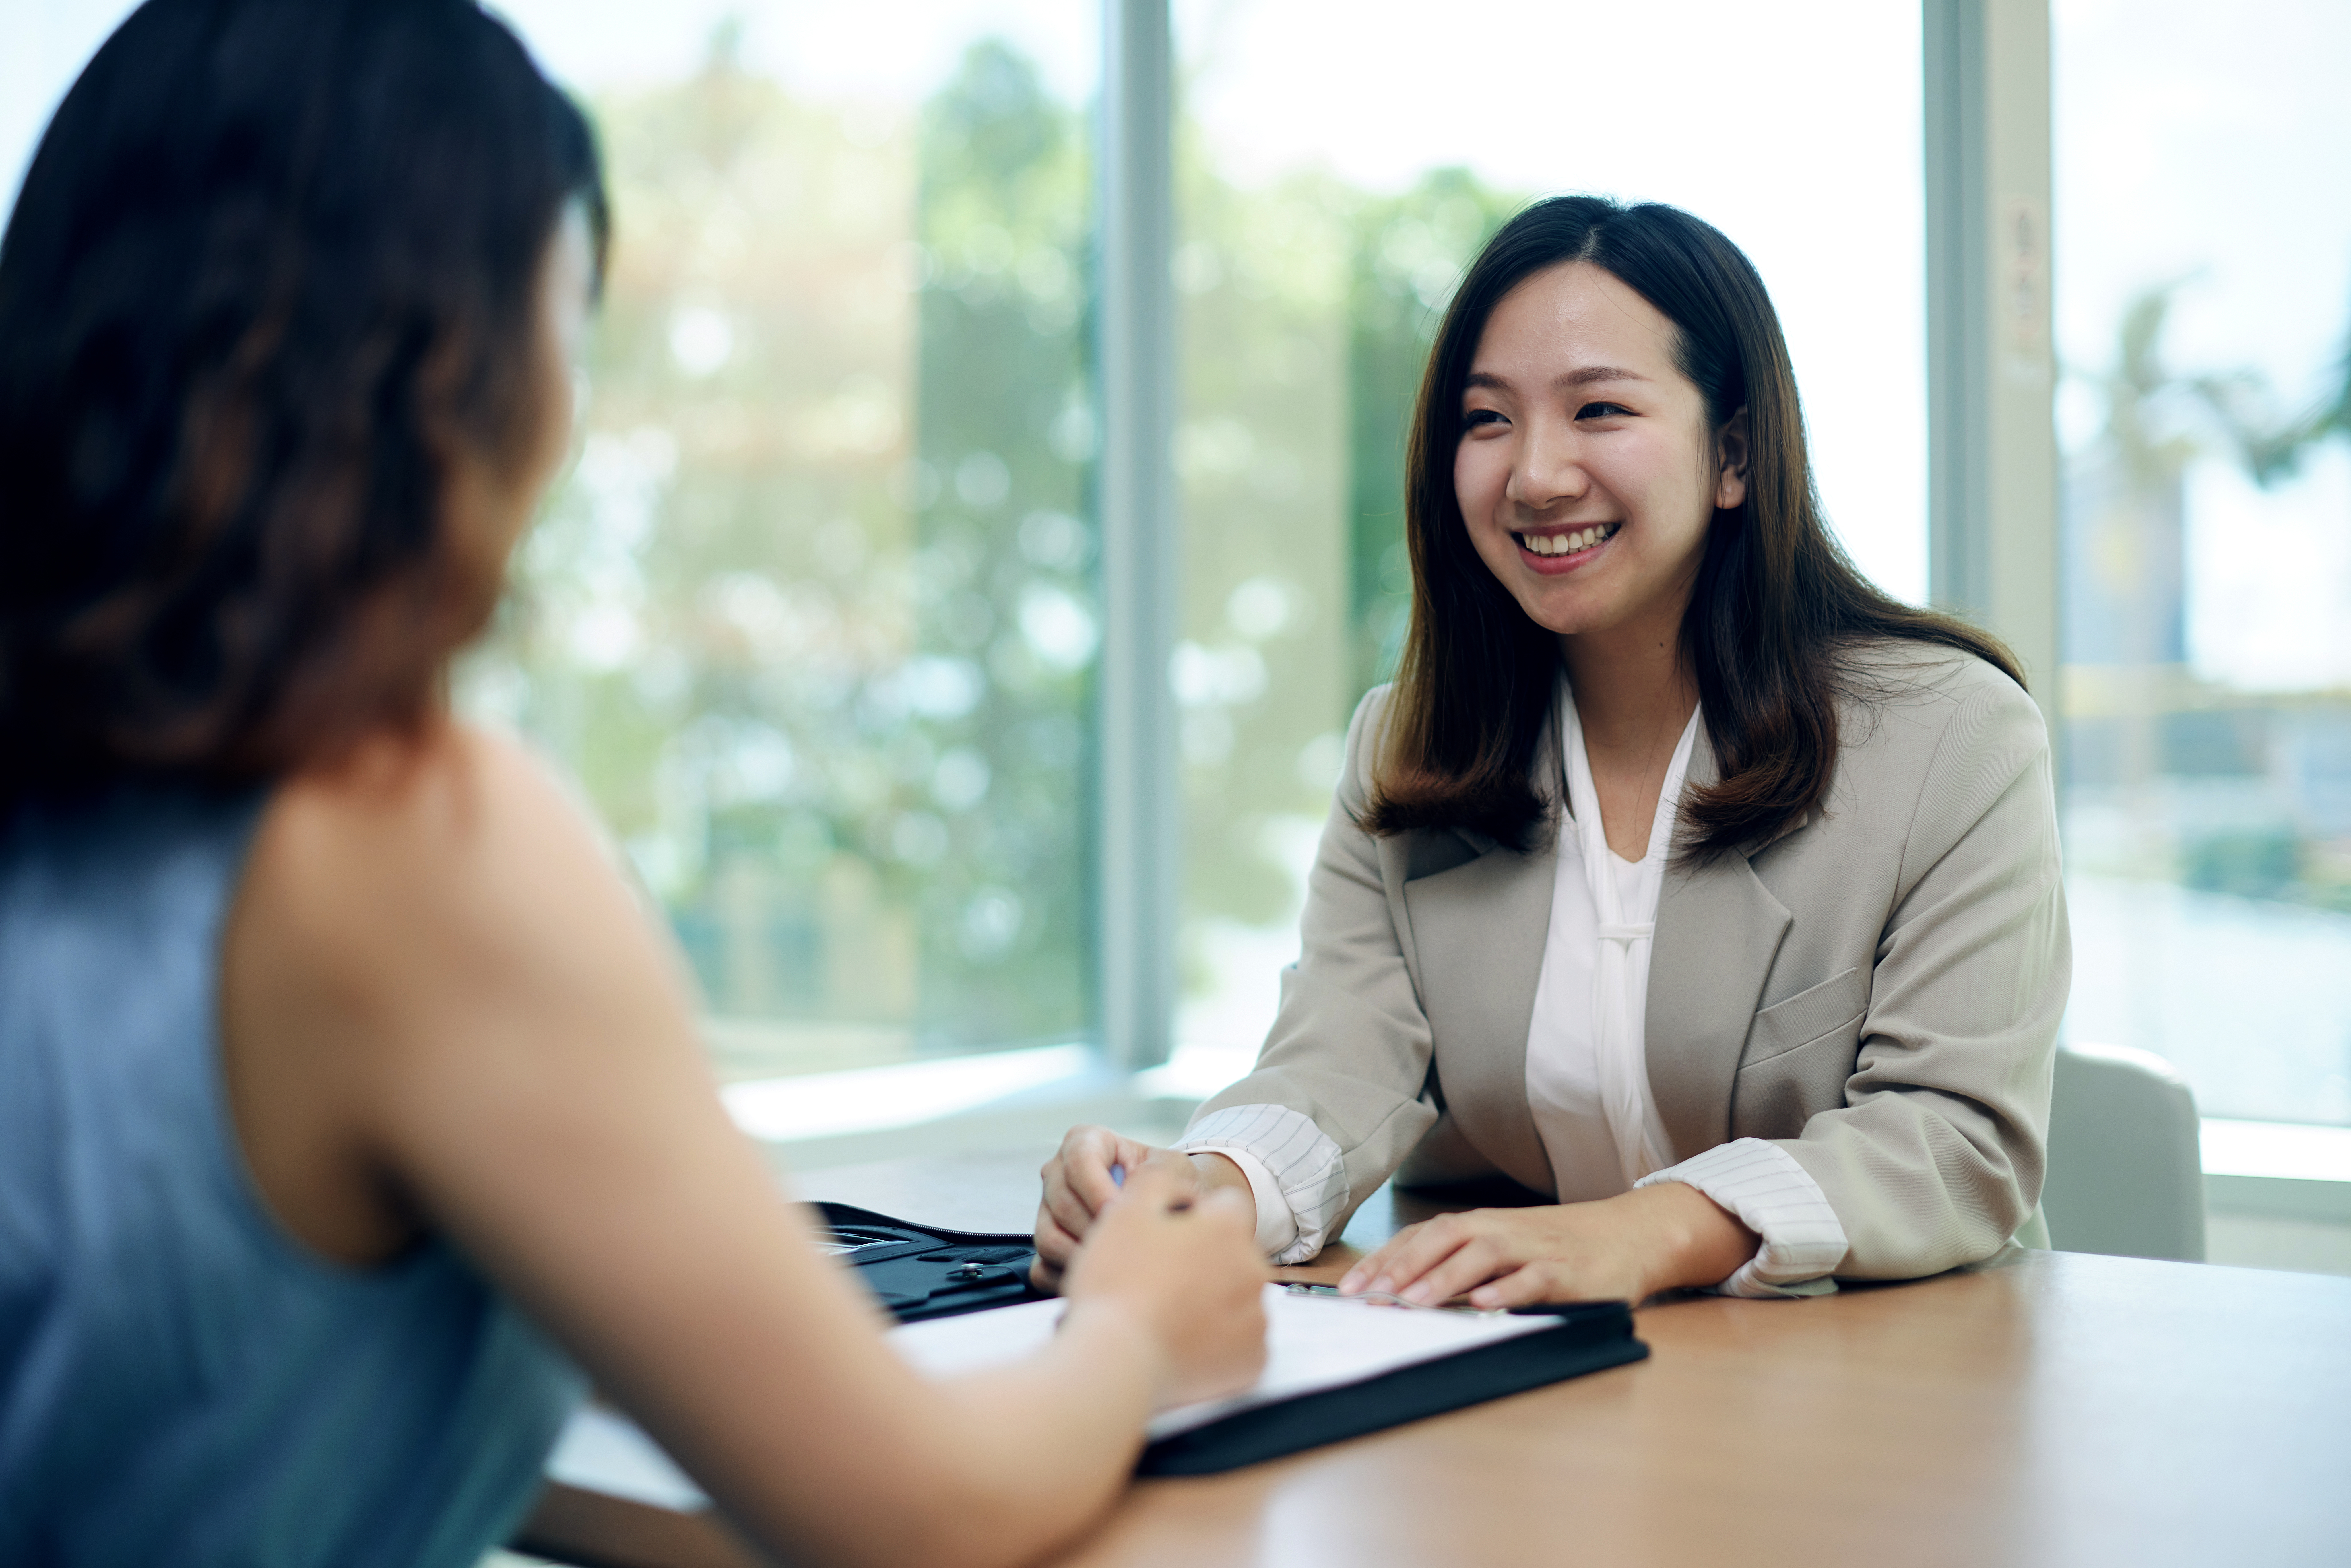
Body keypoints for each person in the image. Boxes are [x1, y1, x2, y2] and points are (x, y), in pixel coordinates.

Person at [0, 4, 1265, 1566]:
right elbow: (928, 1516)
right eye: (569, 310)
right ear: (451, 359)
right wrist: (1141, 1327)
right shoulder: (402, 834)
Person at [1037, 196, 2069, 1310]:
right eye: (1486, 422)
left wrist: (1650, 1230)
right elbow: (1337, 1057)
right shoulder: (1403, 747)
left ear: (1732, 454)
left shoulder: (1954, 736)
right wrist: (1199, 1189)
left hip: (1882, 1378)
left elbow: (1953, 1133)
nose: (1534, 475)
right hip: (1532, 1391)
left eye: (1597, 410)